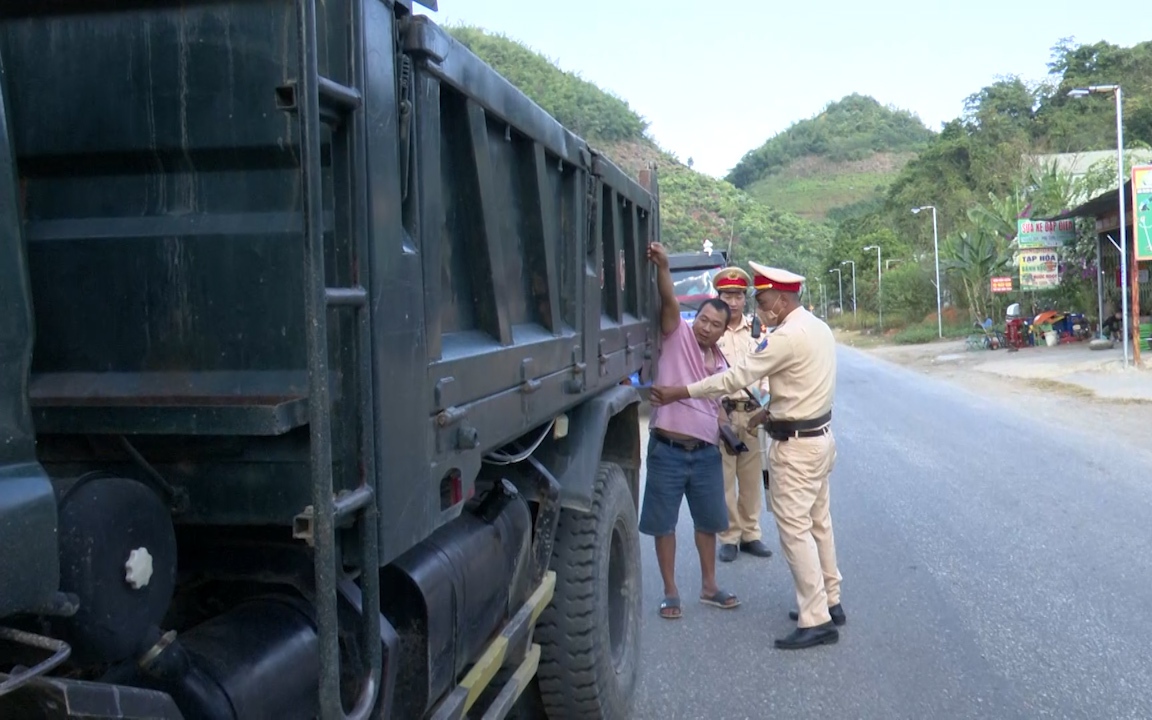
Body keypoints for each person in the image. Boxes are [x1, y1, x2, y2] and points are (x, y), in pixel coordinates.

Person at [650, 262, 843, 649]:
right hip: (820, 437)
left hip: (797, 448)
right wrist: (767, 412)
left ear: (783, 299)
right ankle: (831, 600)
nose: (759, 305)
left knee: (795, 530)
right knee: (819, 522)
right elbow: (805, 385)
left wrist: (679, 392)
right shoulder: (818, 328)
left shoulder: (785, 336)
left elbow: (733, 379)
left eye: (764, 298)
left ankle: (816, 619)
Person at [642, 241, 740, 620]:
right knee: (663, 524)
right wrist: (663, 267)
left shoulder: (721, 361)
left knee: (709, 523)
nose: (707, 328)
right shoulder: (677, 333)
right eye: (703, 321)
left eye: (715, 325)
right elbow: (668, 300)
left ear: (722, 332)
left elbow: (716, 405)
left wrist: (726, 428)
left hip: (704, 454)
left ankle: (709, 586)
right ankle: (670, 591)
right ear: (694, 318)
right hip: (666, 447)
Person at [711, 267, 773, 563]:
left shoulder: (757, 330)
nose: (733, 302)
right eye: (727, 295)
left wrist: (765, 399)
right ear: (719, 297)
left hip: (751, 415)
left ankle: (751, 534)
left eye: (737, 296)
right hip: (722, 414)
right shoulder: (712, 331)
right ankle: (729, 536)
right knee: (723, 480)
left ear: (744, 298)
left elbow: (768, 369)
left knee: (750, 479)